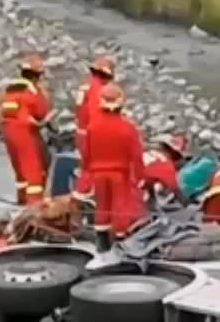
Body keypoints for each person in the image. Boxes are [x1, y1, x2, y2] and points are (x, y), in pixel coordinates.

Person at [73, 82, 150, 239]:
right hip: (119, 175)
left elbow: (86, 154)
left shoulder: (92, 126)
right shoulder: (127, 128)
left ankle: (101, 243)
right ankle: (120, 240)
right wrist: (141, 178)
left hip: (97, 174)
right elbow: (136, 156)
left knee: (102, 208)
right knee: (120, 208)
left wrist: (86, 172)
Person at [0, 52, 55, 206]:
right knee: (33, 171)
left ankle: (22, 199)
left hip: (8, 132)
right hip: (25, 132)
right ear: (37, 75)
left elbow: (3, 109)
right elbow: (40, 111)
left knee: (20, 172)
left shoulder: (9, 88)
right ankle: (34, 205)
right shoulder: (32, 90)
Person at [75, 54, 116, 153]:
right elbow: (95, 114)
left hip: (81, 133)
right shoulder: (98, 89)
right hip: (93, 137)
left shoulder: (85, 86)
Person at [141, 130, 189, 210]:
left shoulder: (154, 154)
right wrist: (187, 206)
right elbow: (176, 190)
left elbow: (149, 180)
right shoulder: (167, 165)